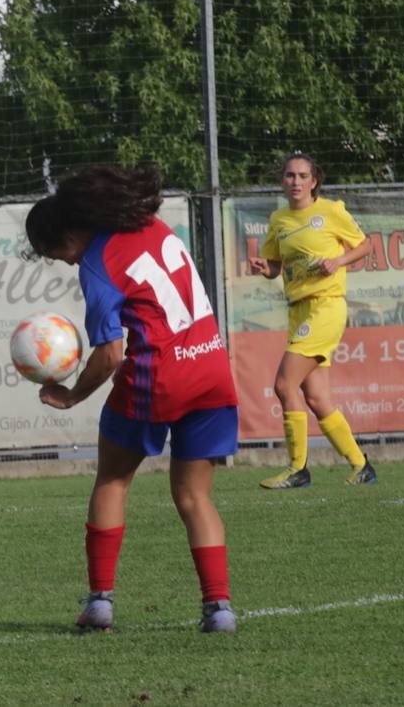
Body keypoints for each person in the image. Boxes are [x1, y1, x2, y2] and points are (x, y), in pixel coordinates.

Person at [24, 165, 239, 634]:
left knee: (113, 481)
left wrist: (71, 396)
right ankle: (218, 608)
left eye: (54, 252)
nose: (60, 262)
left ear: (70, 232)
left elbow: (110, 355)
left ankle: (99, 602)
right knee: (193, 495)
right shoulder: (150, 224)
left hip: (158, 376)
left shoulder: (98, 263)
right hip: (211, 368)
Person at [247, 152, 377, 489]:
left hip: (325, 306)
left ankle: (297, 469)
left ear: (314, 181)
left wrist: (339, 261)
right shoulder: (279, 220)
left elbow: (365, 245)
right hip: (298, 310)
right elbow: (275, 266)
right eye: (290, 176)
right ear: (283, 181)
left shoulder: (330, 211)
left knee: (284, 385)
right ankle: (362, 467)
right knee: (317, 398)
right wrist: (266, 269)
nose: (295, 182)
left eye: (302, 176)